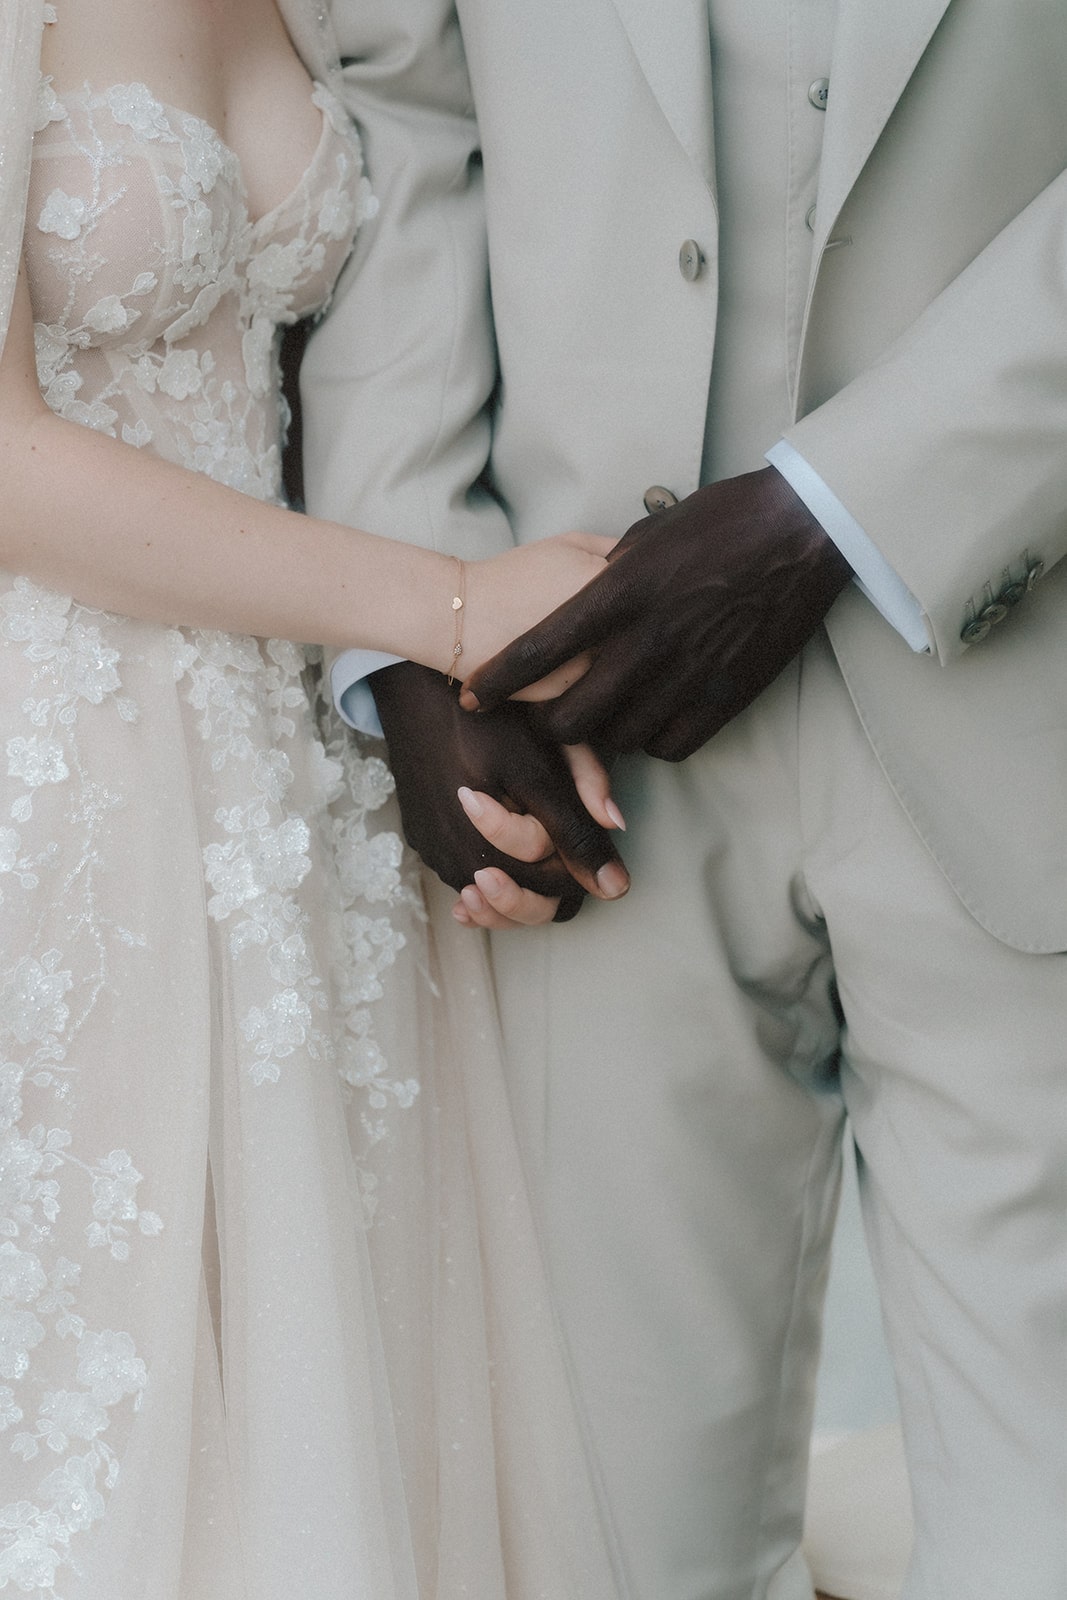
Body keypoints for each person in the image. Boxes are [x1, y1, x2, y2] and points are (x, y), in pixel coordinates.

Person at [307, 4, 1067, 1598]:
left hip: (1023, 679)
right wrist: (407, 627)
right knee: (611, 1538)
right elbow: (404, 104)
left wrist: (835, 510)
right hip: (570, 748)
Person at [0, 1, 634, 1593]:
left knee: (335, 1428)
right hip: (70, 803)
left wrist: (424, 685)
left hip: (298, 812)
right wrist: (448, 606)